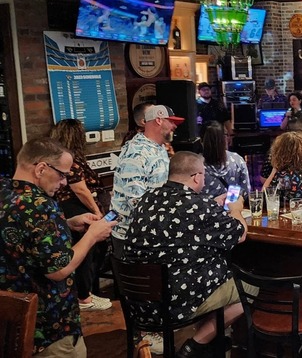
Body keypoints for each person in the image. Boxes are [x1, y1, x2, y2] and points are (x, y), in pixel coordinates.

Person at [125, 152, 247, 358]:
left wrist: (212, 205)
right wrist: (236, 210)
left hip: (139, 301)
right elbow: (240, 234)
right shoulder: (199, 205)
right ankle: (195, 344)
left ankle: (208, 342)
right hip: (175, 303)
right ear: (197, 177)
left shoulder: (147, 199)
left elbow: (178, 219)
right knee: (249, 290)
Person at [0, 137, 115, 357]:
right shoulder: (41, 206)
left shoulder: (5, 191)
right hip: (47, 326)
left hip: (9, 320)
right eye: (62, 174)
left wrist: (67, 224)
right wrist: (92, 235)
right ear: (41, 169)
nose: (64, 182)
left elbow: (22, 235)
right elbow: (58, 269)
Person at [51, 119, 111, 311]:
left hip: (72, 208)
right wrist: (97, 212)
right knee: (85, 252)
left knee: (89, 252)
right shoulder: (70, 161)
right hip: (75, 207)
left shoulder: (65, 158)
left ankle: (85, 293)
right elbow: (80, 190)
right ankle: (84, 297)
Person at [111, 105, 183, 260]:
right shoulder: (136, 153)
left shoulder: (159, 148)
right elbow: (136, 202)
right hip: (132, 236)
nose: (174, 126)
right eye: (171, 121)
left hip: (152, 231)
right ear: (158, 120)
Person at [201, 121, 251, 198]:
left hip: (206, 205)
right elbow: (246, 192)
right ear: (224, 139)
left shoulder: (196, 165)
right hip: (233, 204)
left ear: (201, 141)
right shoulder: (237, 160)